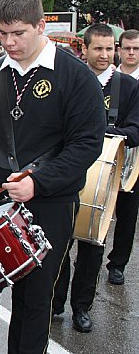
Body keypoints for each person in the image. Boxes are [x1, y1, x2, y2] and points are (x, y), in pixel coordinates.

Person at [0, 0, 106, 353]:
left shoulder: (76, 77)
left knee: (33, 305)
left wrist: (39, 182)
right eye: (2, 34)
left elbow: (86, 145)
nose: (9, 42)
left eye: (18, 33)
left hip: (48, 204)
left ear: (40, 25)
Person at [53, 24, 139, 334]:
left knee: (92, 245)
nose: (104, 55)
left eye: (108, 49)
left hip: (103, 180)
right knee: (60, 242)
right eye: (97, 49)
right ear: (84, 49)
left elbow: (136, 129)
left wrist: (109, 133)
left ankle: (82, 308)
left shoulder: (127, 87)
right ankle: (56, 301)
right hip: (68, 173)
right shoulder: (70, 81)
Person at [106, 29, 139, 284]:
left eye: (136, 49)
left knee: (127, 215)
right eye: (126, 48)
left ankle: (117, 263)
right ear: (119, 49)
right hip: (107, 157)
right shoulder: (110, 78)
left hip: (134, 161)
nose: (130, 53)